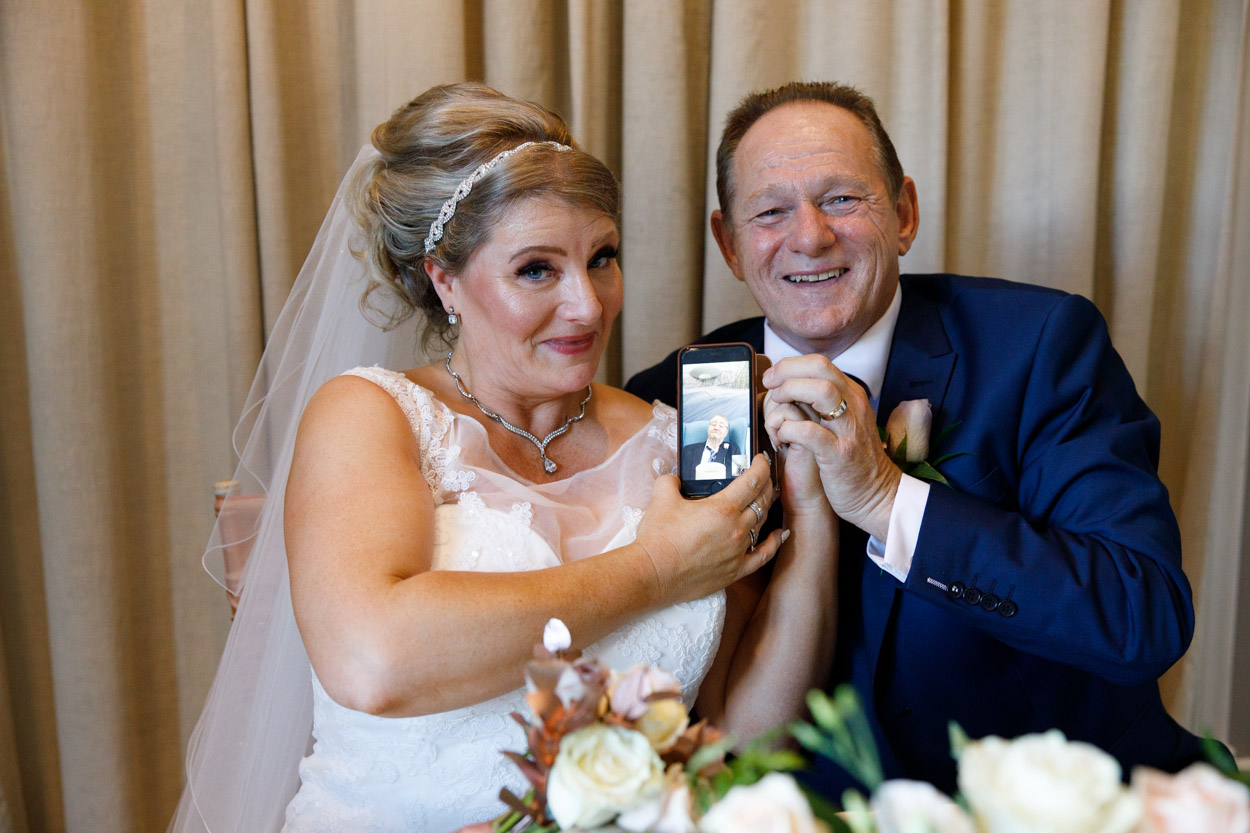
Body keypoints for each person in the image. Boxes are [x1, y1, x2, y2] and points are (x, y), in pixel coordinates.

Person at [170, 82, 839, 833]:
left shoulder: (670, 439)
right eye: (536, 269)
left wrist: (810, 501)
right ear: (445, 280)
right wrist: (656, 571)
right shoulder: (371, 414)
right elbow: (372, 660)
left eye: (603, 257)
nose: (589, 305)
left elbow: (735, 733)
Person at [626, 81, 1207, 796]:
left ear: (903, 213)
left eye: (841, 198)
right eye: (771, 211)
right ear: (730, 244)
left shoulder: (1040, 347)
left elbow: (1141, 615)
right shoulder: (661, 398)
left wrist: (886, 497)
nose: (809, 235)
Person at [681, 413, 741, 478]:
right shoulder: (687, 450)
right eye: (713, 424)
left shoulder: (735, 450)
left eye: (721, 426)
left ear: (726, 433)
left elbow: (742, 478)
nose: (716, 428)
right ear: (708, 429)